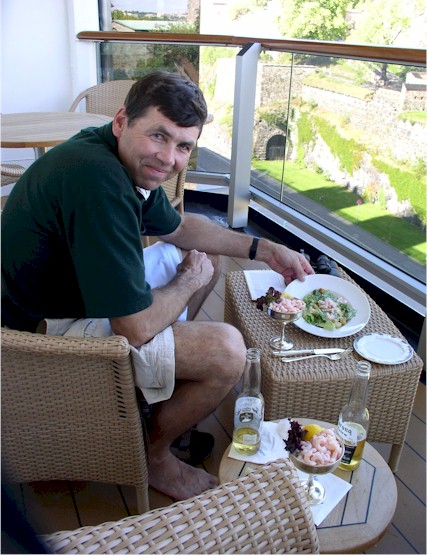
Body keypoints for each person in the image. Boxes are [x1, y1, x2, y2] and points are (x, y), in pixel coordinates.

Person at [1, 71, 314, 501]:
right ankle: (152, 455)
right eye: (158, 136)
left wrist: (263, 249)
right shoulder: (98, 184)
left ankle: (154, 384)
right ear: (121, 122)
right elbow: (132, 327)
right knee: (228, 351)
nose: (168, 159)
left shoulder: (110, 153)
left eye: (183, 146)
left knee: (205, 257)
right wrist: (186, 284)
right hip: (40, 336)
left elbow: (180, 228)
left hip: (72, 292)